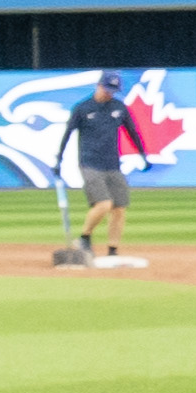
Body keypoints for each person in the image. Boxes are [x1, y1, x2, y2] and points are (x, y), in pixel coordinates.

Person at [57, 68, 145, 268]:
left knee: (119, 208)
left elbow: (132, 131)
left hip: (113, 164)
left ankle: (113, 249)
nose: (109, 93)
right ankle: (84, 237)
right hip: (90, 163)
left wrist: (142, 154)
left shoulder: (119, 107)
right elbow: (68, 133)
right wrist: (58, 159)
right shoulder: (83, 108)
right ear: (99, 85)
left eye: (113, 90)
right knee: (103, 203)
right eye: (107, 88)